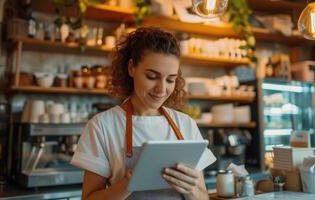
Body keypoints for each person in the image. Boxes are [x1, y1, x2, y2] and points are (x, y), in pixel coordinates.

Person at [71, 27, 216, 200]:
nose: (162, 89)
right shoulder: (102, 126)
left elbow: (203, 197)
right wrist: (128, 184)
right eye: (152, 76)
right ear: (131, 68)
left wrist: (190, 189)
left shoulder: (185, 124)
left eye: (170, 79)